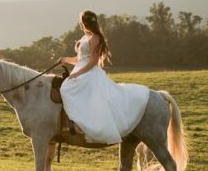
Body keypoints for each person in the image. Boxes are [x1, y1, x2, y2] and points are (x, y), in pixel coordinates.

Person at [59, 10, 150, 144]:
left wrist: (78, 74)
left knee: (67, 88)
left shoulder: (95, 38)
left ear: (83, 23)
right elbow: (80, 59)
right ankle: (73, 122)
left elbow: (93, 62)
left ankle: (79, 124)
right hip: (80, 69)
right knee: (66, 88)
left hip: (88, 72)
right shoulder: (85, 37)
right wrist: (66, 59)